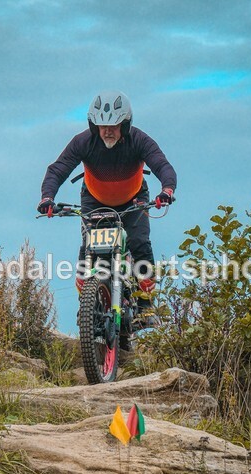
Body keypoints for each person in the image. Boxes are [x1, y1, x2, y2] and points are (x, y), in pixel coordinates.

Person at [38, 90, 177, 323]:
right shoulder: (82, 142)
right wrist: (47, 198)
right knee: (88, 249)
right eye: (102, 126)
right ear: (94, 126)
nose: (108, 131)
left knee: (140, 244)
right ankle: (88, 308)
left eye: (114, 125)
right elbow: (58, 169)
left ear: (126, 124)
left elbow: (162, 165)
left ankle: (146, 305)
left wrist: (167, 190)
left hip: (134, 199)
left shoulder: (140, 140)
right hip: (94, 200)